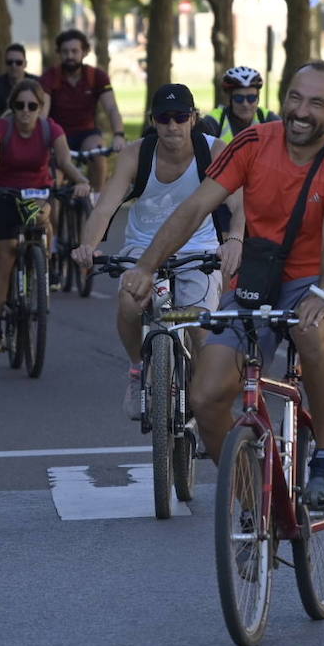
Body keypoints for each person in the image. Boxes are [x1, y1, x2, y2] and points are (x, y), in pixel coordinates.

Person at [119, 61, 324, 508]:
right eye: (295, 97)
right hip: (258, 277)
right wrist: (146, 266)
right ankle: (255, 510)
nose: (301, 111)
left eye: (316, 103)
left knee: (310, 333)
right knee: (205, 397)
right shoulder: (252, 142)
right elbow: (195, 208)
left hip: (323, 278)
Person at [72, 83, 243, 418]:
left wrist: (235, 239)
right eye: (164, 118)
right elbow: (105, 208)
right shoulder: (136, 155)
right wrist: (87, 246)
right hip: (142, 249)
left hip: (199, 249)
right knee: (129, 303)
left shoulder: (215, 150)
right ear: (153, 121)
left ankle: (203, 395)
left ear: (193, 118)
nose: (172, 125)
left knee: (199, 326)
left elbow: (239, 204)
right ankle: (138, 370)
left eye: (180, 117)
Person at [0, 77, 91, 353]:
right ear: (12, 107)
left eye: (32, 106)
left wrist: (81, 181)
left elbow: (65, 162)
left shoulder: (51, 130)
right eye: (20, 105)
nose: (25, 111)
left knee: (42, 218)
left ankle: (44, 266)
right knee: (5, 258)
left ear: (40, 107)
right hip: (4, 195)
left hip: (37, 193)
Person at [39, 28, 126, 192]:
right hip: (57, 134)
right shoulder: (50, 77)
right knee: (53, 179)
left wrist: (119, 135)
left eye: (74, 51)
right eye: (65, 52)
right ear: (59, 53)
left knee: (98, 155)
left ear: (85, 52)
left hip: (87, 134)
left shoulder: (96, 76)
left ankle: (97, 198)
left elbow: (111, 108)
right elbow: (43, 112)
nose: (70, 56)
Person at [199, 65, 279, 143]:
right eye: (239, 98)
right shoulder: (215, 121)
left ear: (258, 98)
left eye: (251, 98)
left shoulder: (267, 119)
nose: (245, 104)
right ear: (230, 99)